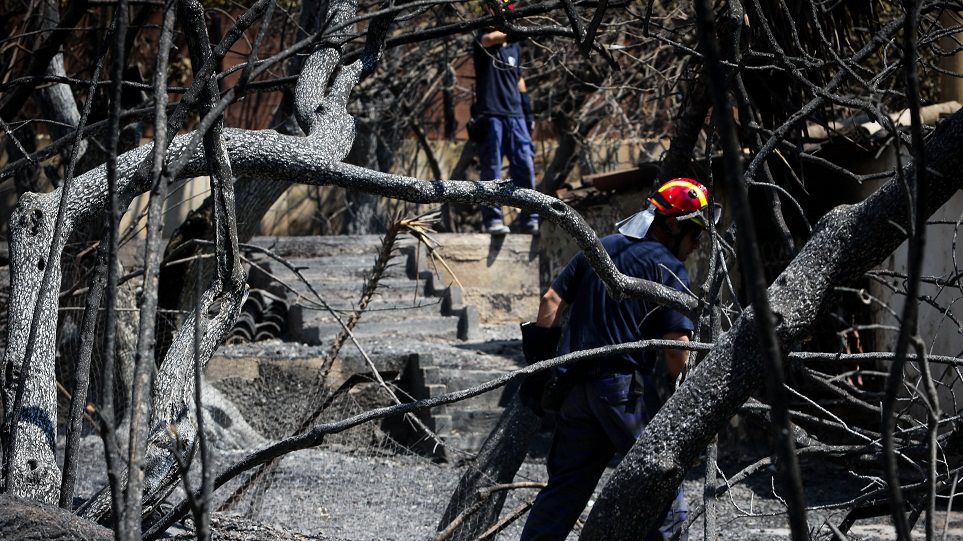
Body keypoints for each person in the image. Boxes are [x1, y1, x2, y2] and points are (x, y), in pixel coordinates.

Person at [519, 178, 721, 541]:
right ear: (672, 224)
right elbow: (677, 347)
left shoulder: (600, 247)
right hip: (623, 394)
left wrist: (538, 368)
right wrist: (685, 398)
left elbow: (550, 301)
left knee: (562, 493)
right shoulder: (669, 268)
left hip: (575, 392)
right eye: (695, 232)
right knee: (662, 483)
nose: (697, 244)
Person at [472, 0, 539, 235]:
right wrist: (513, 32)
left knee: (525, 166)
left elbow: (519, 80)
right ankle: (493, 219)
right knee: (492, 170)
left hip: (516, 115)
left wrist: (528, 111)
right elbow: (490, 39)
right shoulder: (483, 38)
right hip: (492, 114)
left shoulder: (514, 47)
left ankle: (530, 216)